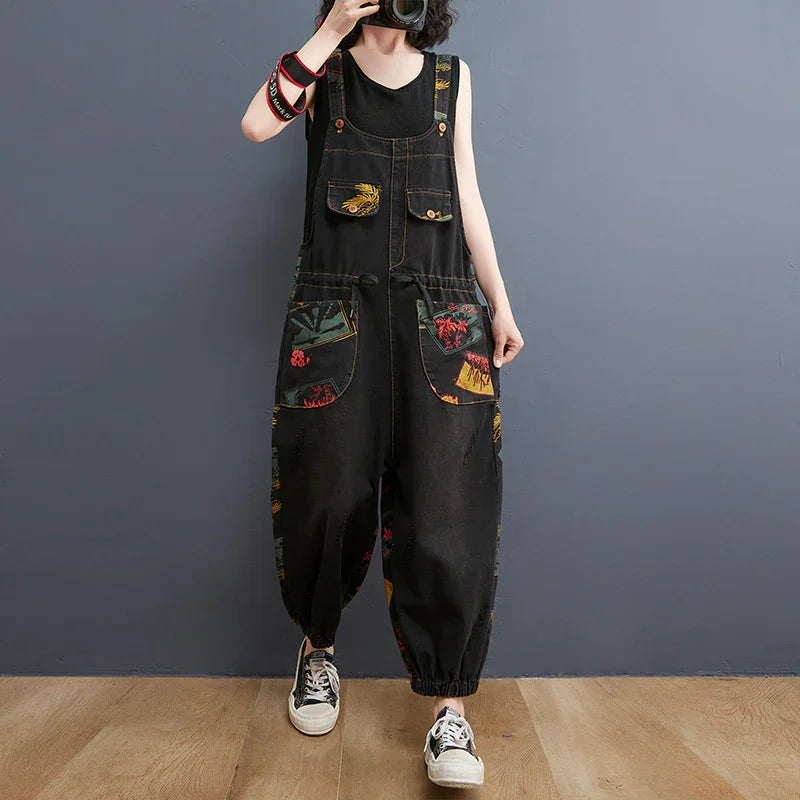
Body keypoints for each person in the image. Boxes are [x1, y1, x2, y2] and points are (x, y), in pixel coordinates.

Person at [241, 0, 524, 789]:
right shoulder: (322, 72)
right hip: (335, 316)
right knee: (326, 492)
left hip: (444, 318)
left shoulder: (452, 80)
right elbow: (256, 125)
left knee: (448, 507)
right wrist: (330, 29)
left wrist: (499, 301)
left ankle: (449, 709)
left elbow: (467, 191)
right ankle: (318, 650)